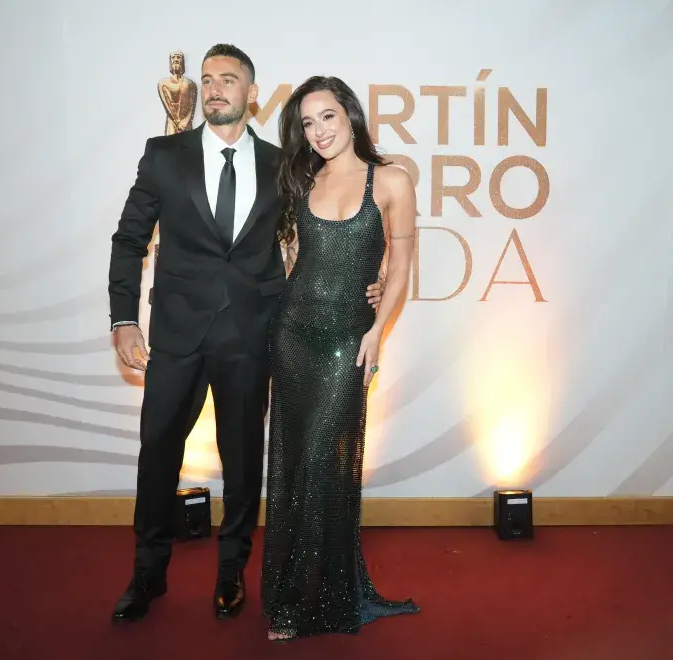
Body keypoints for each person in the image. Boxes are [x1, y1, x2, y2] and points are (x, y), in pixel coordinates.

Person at [107, 45, 385, 624]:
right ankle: (147, 574)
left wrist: (372, 282)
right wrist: (124, 319)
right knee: (157, 454)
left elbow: (327, 231)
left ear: (251, 94)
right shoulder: (163, 156)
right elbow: (129, 239)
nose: (213, 89)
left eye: (227, 80)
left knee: (242, 462)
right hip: (176, 336)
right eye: (207, 80)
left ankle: (231, 572)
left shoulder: (286, 163)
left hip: (252, 336)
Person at [260, 75, 420, 641]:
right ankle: (291, 597)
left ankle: (309, 601)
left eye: (327, 116)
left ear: (349, 116)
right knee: (292, 462)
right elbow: (295, 262)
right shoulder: (303, 182)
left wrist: (378, 331)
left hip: (347, 341)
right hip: (293, 335)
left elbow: (400, 266)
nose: (319, 131)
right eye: (307, 122)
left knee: (328, 465)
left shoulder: (393, 179)